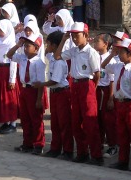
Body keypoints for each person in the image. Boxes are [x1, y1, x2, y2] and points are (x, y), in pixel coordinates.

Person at [54, 22, 103, 165]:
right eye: (73, 36)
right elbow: (57, 56)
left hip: (87, 85)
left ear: (86, 35)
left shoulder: (91, 52)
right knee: (76, 121)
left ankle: (96, 155)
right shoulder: (74, 51)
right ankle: (82, 152)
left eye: (77, 35)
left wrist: (92, 89)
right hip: (74, 85)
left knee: (90, 121)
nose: (74, 38)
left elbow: (97, 74)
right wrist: (64, 40)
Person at [102, 38, 131, 172]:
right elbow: (103, 66)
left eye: (121, 52)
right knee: (122, 134)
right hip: (119, 103)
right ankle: (123, 161)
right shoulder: (118, 66)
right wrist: (111, 54)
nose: (119, 54)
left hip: (130, 104)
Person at [6, 22, 48, 155]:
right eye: (24, 46)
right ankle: (27, 143)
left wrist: (39, 99)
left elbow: (41, 82)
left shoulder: (39, 63)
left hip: (34, 90)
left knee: (36, 119)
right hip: (24, 90)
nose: (25, 48)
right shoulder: (22, 58)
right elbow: (9, 55)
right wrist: (18, 44)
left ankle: (38, 144)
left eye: (28, 46)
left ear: (36, 48)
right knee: (25, 118)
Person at [36, 31, 74, 159]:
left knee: (64, 123)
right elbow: (46, 53)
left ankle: (68, 150)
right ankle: (55, 148)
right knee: (55, 122)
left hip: (62, 92)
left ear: (54, 45)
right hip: (54, 93)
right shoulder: (53, 57)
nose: (47, 46)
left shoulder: (59, 61)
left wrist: (41, 84)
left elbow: (55, 80)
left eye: (49, 44)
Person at [93, 33, 117, 157]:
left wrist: (111, 98)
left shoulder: (110, 59)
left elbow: (112, 79)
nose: (95, 43)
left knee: (107, 119)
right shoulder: (95, 56)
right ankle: (99, 142)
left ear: (106, 44)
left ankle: (112, 145)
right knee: (98, 119)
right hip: (97, 90)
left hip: (106, 91)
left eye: (98, 41)